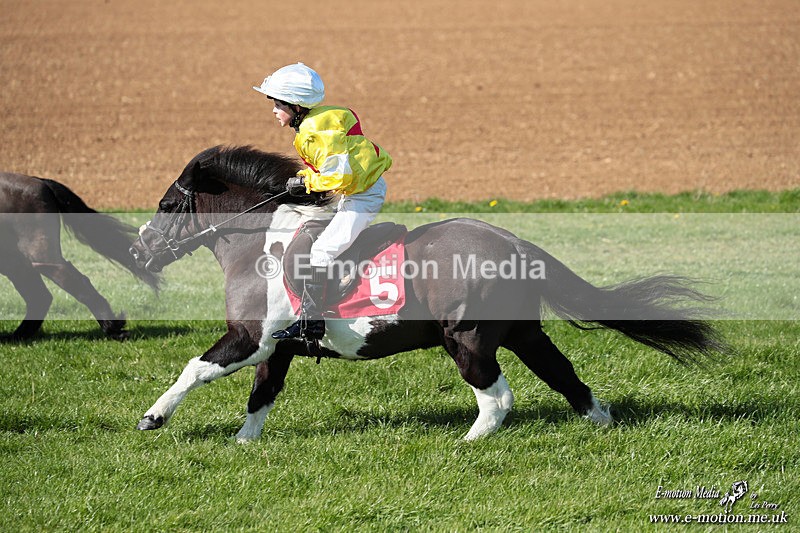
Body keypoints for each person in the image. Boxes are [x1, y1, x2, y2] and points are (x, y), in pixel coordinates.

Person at [253, 63, 392, 342]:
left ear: (296, 106)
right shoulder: (317, 121)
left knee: (320, 253)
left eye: (278, 104)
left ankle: (312, 324)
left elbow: (338, 176)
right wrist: (306, 177)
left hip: (362, 196)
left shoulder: (313, 131)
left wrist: (306, 182)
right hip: (357, 191)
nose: (273, 110)